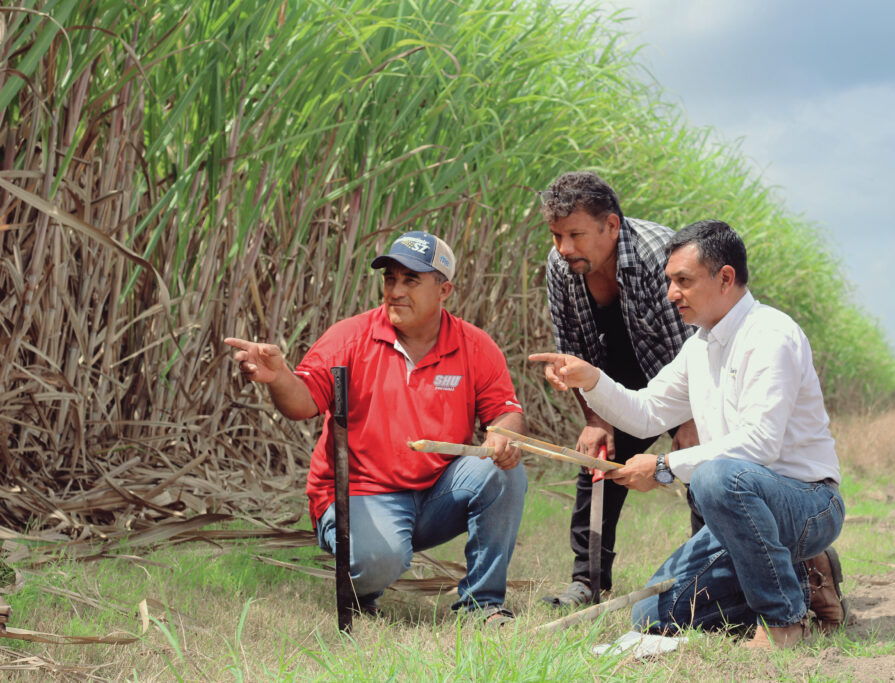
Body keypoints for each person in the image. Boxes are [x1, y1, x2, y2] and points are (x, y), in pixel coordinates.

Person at [530, 219, 848, 648]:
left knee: (715, 478)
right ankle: (804, 579)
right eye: (669, 281)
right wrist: (591, 380)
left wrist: (663, 467)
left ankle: (783, 621)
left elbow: (760, 443)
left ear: (726, 278)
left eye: (683, 281)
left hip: (807, 503)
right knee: (653, 614)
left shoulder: (771, 336)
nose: (670, 293)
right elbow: (646, 412)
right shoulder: (699, 345)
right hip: (742, 511)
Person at [226, 231, 528, 626]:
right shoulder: (350, 337)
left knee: (503, 470)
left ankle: (483, 605)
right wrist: (279, 376)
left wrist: (503, 433)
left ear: (444, 290)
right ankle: (363, 588)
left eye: (410, 280)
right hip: (361, 494)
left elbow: (506, 409)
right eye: (390, 279)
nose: (395, 291)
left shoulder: (475, 345)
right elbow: (303, 403)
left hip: (436, 492)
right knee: (380, 560)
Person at [537, 171, 700, 608]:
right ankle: (587, 582)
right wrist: (596, 419)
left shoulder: (656, 255)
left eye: (575, 235)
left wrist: (691, 421)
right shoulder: (561, 265)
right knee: (598, 464)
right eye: (556, 236)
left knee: (701, 468)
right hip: (614, 380)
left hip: (684, 378)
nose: (564, 248)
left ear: (611, 226)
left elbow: (693, 346)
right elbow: (569, 348)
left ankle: (708, 581)